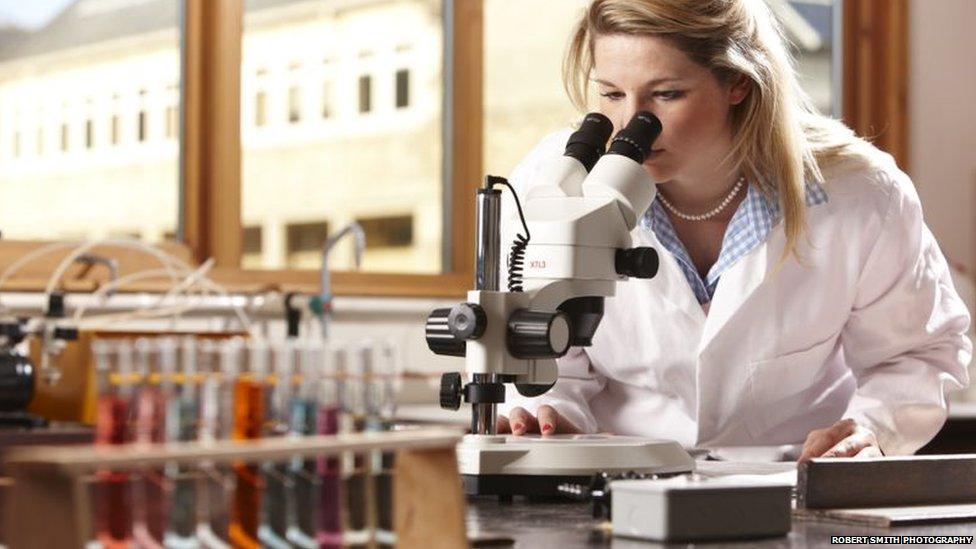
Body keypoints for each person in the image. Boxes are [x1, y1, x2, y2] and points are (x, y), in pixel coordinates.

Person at [496, 0, 972, 459]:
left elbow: (919, 354)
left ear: (737, 84)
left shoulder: (862, 195)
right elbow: (543, 349)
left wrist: (874, 427)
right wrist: (549, 412)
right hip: (617, 476)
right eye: (612, 94)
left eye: (666, 94)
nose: (630, 124)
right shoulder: (552, 184)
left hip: (792, 479)